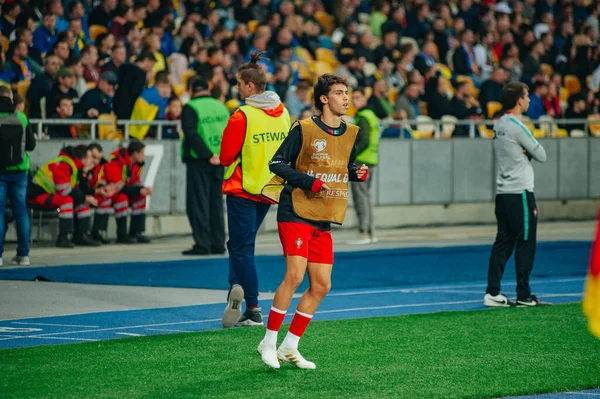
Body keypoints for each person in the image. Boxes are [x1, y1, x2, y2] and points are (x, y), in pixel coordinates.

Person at [257, 74, 368, 370]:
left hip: (323, 216)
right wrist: (309, 181)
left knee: (321, 285)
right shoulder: (303, 128)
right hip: (295, 211)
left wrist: (357, 171)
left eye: (347, 92)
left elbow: (347, 164)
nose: (346, 98)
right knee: (294, 275)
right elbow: (276, 163)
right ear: (323, 99)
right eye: (340, 93)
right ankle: (267, 342)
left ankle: (289, 346)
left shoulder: (351, 132)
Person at [220, 51, 291, 328]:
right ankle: (236, 286)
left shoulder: (242, 116)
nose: (236, 88)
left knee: (242, 248)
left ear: (250, 86)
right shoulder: (283, 113)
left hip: (242, 189)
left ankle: (252, 307)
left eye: (239, 83)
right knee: (239, 245)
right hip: (269, 190)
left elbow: (226, 157)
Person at [484, 82, 549, 308]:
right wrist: (527, 152)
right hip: (519, 191)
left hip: (502, 192)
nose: (529, 99)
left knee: (503, 241)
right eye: (527, 95)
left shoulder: (498, 124)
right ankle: (524, 294)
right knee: (526, 242)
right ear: (519, 101)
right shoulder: (516, 125)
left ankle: (492, 292)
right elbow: (541, 154)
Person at [181, 78, 230, 256]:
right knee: (215, 203)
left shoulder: (191, 107)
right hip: (220, 160)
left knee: (198, 203)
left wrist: (208, 155)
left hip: (200, 161)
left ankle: (202, 244)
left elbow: (192, 135)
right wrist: (221, 156)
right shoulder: (220, 106)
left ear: (192, 90)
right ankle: (218, 243)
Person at [28, 145, 100, 248]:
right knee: (67, 200)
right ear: (82, 159)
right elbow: (65, 191)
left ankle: (81, 235)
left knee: (81, 201)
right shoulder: (64, 164)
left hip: (49, 195)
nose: (91, 161)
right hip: (37, 196)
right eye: (90, 158)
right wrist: (84, 197)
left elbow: (76, 189)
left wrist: (84, 198)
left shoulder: (72, 166)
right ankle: (63, 237)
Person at [0, 86, 36, 266]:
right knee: (21, 212)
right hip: (20, 170)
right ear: (11, 98)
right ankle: (23, 255)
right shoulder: (21, 118)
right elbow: (31, 145)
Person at [103, 141, 153, 244]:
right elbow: (117, 187)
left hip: (124, 190)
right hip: (109, 193)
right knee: (122, 198)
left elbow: (135, 182)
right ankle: (121, 235)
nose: (144, 156)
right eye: (142, 153)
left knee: (141, 197)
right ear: (135, 154)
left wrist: (143, 189)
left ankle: (136, 233)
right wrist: (139, 190)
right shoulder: (116, 161)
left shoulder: (137, 164)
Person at [350, 87, 380, 244]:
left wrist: (350, 155)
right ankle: (371, 232)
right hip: (371, 160)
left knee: (360, 198)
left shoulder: (362, 117)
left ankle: (363, 232)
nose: (354, 100)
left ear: (364, 99)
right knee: (367, 198)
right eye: (353, 97)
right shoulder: (372, 116)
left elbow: (364, 141)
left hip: (361, 162)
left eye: (357, 97)